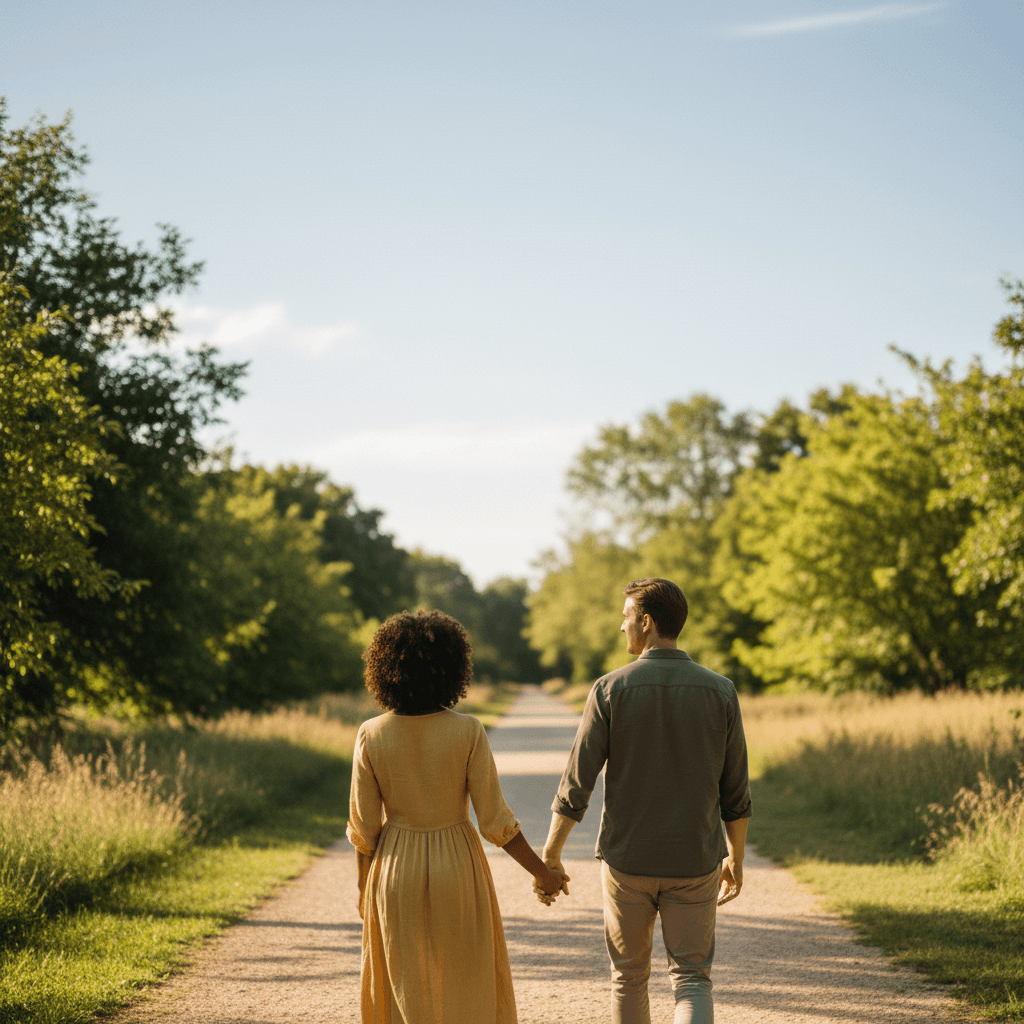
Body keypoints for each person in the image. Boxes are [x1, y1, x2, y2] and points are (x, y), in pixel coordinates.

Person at [538, 578, 751, 1024]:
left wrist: (551, 855)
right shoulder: (721, 691)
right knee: (693, 979)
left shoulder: (609, 689)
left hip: (627, 861)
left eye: (626, 617)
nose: (622, 627)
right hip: (695, 861)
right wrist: (736, 856)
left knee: (629, 977)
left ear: (647, 621)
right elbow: (735, 790)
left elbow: (577, 781)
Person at [347, 609, 567, 1024]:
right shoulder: (468, 731)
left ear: (385, 669)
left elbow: (365, 830)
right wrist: (543, 873)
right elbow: (496, 822)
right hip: (458, 865)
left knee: (401, 982)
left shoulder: (370, 733)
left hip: (394, 869)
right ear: (452, 669)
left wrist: (364, 889)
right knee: (469, 980)